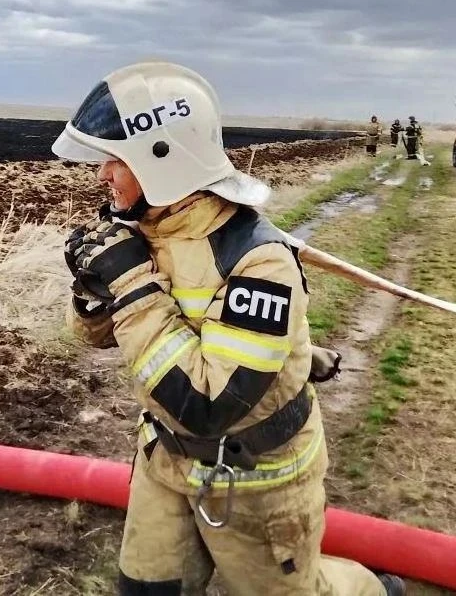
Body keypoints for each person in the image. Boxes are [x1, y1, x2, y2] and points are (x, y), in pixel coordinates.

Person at [52, 61, 405, 596]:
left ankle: (372, 589)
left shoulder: (261, 263)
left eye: (116, 160)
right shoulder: (148, 232)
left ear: (162, 159)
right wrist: (93, 292)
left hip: (255, 479)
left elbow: (209, 404)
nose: (102, 175)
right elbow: (95, 337)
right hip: (164, 458)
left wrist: (133, 285)